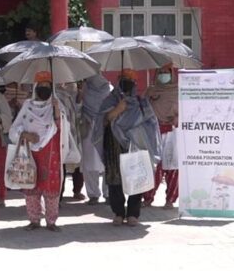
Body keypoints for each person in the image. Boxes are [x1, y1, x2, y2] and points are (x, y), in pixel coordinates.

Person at [99, 69, 161, 226]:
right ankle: (119, 213)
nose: (127, 82)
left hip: (135, 144)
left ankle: (133, 213)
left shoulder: (141, 102)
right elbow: (103, 121)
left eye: (130, 80)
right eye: (124, 79)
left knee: (136, 176)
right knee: (115, 179)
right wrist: (118, 109)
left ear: (135, 83)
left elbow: (151, 122)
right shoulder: (110, 100)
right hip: (114, 144)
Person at [9, 72, 63, 231]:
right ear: (35, 88)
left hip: (50, 151)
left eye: (47, 86)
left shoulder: (55, 105)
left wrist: (57, 111)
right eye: (41, 87)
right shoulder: (28, 106)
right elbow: (15, 128)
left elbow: (60, 128)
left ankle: (51, 221)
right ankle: (34, 219)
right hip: (30, 151)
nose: (44, 89)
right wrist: (24, 135)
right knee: (31, 184)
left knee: (50, 185)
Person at [143, 63, 179, 209]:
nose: (164, 75)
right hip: (153, 132)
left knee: (172, 167)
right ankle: (147, 198)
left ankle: (170, 199)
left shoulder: (178, 91)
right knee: (152, 167)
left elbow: (188, 111)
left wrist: (178, 118)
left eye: (167, 72)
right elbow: (142, 110)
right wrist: (149, 98)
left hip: (172, 133)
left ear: (172, 74)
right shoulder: (151, 90)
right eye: (161, 72)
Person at [81, 74, 114, 205]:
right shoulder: (85, 89)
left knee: (106, 162)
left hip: (104, 129)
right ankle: (94, 194)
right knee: (90, 162)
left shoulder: (110, 90)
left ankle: (106, 193)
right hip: (88, 128)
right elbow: (78, 107)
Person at [56, 81, 85, 201]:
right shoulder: (55, 95)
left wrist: (79, 99)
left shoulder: (73, 92)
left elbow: (77, 112)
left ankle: (77, 190)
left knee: (77, 161)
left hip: (73, 131)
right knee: (59, 164)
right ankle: (58, 196)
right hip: (60, 134)